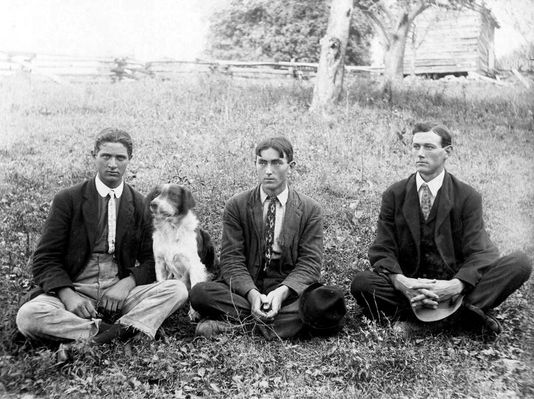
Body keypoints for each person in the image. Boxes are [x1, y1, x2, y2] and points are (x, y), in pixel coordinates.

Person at [350, 122, 532, 335]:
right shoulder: (394, 194)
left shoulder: (467, 196)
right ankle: (463, 317)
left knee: (520, 263)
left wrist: (455, 286)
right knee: (362, 283)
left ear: (447, 152)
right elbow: (383, 248)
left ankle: (426, 322)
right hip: (411, 288)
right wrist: (403, 283)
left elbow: (481, 251)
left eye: (428, 147)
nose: (420, 154)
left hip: (454, 289)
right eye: (416, 146)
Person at [16, 128, 186, 349]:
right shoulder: (68, 199)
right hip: (75, 287)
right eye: (106, 156)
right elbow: (45, 258)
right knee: (29, 316)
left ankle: (94, 337)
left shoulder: (140, 204)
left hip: (118, 293)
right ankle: (117, 333)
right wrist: (68, 296)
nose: (112, 164)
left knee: (177, 290)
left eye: (120, 158)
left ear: (129, 160)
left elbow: (153, 260)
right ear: (94, 156)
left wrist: (128, 283)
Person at [190, 137, 346, 339]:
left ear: (290, 166)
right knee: (200, 293)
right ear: (255, 164)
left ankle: (239, 328)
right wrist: (252, 294)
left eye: (276, 163)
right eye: (262, 162)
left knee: (327, 303)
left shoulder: (310, 209)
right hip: (244, 292)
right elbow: (231, 260)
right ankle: (279, 323)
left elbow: (309, 263)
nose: (268, 170)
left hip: (287, 292)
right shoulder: (236, 205)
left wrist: (281, 293)